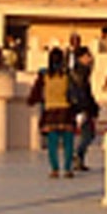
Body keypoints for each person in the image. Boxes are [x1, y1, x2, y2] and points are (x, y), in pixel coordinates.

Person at [29, 46, 77, 178]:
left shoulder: (44, 74)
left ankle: (55, 169)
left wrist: (31, 101)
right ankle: (67, 169)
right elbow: (75, 91)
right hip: (66, 111)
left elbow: (36, 92)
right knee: (68, 143)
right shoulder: (67, 74)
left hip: (50, 111)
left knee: (52, 144)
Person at [70, 44, 99, 171]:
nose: (90, 59)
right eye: (87, 56)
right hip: (82, 106)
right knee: (88, 134)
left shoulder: (83, 71)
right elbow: (82, 91)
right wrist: (87, 106)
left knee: (88, 134)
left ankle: (79, 157)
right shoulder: (80, 72)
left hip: (84, 105)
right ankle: (77, 155)